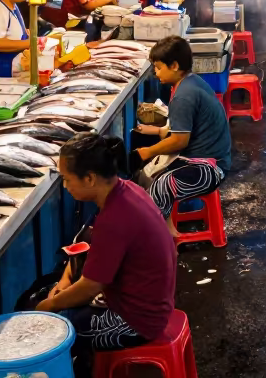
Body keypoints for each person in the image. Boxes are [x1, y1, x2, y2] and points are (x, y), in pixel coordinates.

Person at [37, 134, 176, 361]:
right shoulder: (127, 189)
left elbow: (91, 286)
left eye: (67, 179)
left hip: (138, 321)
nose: (65, 186)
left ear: (90, 179)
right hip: (149, 303)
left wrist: (50, 305)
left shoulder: (115, 217)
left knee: (51, 333)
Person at [133, 37, 232, 226]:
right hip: (205, 158)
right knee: (146, 176)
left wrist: (146, 152)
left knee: (160, 186)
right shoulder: (190, 81)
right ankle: (168, 228)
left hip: (210, 169)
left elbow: (179, 141)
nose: (155, 73)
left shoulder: (183, 96)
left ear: (175, 66)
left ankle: (160, 240)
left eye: (159, 67)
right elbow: (181, 129)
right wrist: (155, 132)